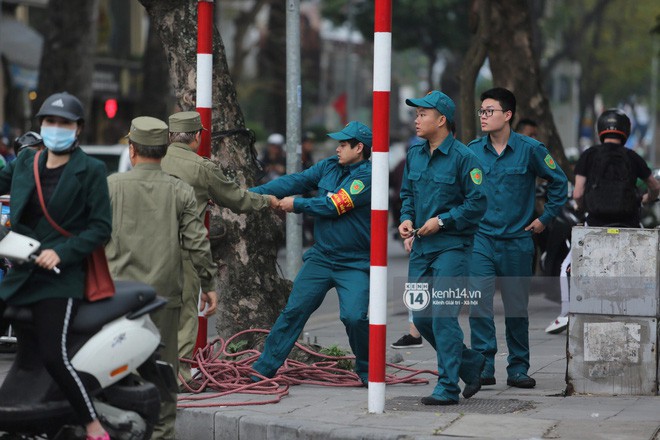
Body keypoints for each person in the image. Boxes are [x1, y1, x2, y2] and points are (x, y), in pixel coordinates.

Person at [0, 92, 111, 440]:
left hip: (60, 278)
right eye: (50, 121)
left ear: (78, 129)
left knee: (54, 356)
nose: (56, 128)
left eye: (65, 123)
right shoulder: (24, 163)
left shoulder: (90, 170)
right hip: (21, 272)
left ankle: (93, 425)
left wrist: (62, 253)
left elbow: (100, 228)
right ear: (41, 126)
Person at [105, 116, 217, 440]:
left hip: (117, 300)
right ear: (165, 148)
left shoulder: (111, 186)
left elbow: (91, 241)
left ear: (132, 150)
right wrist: (208, 285)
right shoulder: (180, 190)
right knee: (164, 376)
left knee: (117, 372)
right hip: (164, 299)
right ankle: (161, 433)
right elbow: (198, 243)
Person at [250, 121, 372, 385]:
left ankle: (367, 371)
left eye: (343, 144)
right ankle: (263, 370)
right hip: (322, 257)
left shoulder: (368, 177)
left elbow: (333, 205)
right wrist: (250, 195)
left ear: (359, 147)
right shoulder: (329, 166)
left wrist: (297, 204)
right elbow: (296, 181)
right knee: (294, 311)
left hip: (354, 262)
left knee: (354, 317)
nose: (337, 149)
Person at [160, 111, 277, 385]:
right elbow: (238, 200)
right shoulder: (202, 167)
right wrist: (268, 201)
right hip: (184, 249)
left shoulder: (154, 162)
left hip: (146, 248)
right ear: (198, 137)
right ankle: (179, 377)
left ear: (169, 137)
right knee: (185, 314)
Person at [467, 87, 568, 388]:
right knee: (479, 304)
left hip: (517, 241)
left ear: (507, 114)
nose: (483, 116)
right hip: (481, 240)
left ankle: (518, 368)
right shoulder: (472, 151)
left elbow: (559, 182)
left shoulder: (531, 149)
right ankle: (484, 365)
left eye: (489, 111)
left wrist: (545, 218)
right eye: (481, 111)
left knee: (516, 309)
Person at [399, 91, 487, 405]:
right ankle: (470, 362)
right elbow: (407, 194)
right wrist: (406, 219)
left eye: (422, 113)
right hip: (422, 247)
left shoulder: (466, 158)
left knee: (443, 317)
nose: (416, 119)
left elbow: (477, 204)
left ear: (441, 119)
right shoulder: (414, 155)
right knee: (421, 319)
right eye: (416, 114)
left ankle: (448, 387)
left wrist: (443, 221)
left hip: (453, 246)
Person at [545, 108, 660, 334]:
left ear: (600, 131)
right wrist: (646, 199)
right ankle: (650, 308)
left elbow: (578, 193)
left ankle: (565, 314)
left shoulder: (588, 156)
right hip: (630, 224)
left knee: (566, 266)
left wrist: (581, 205)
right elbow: (654, 186)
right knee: (649, 264)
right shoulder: (633, 157)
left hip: (595, 223)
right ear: (626, 131)